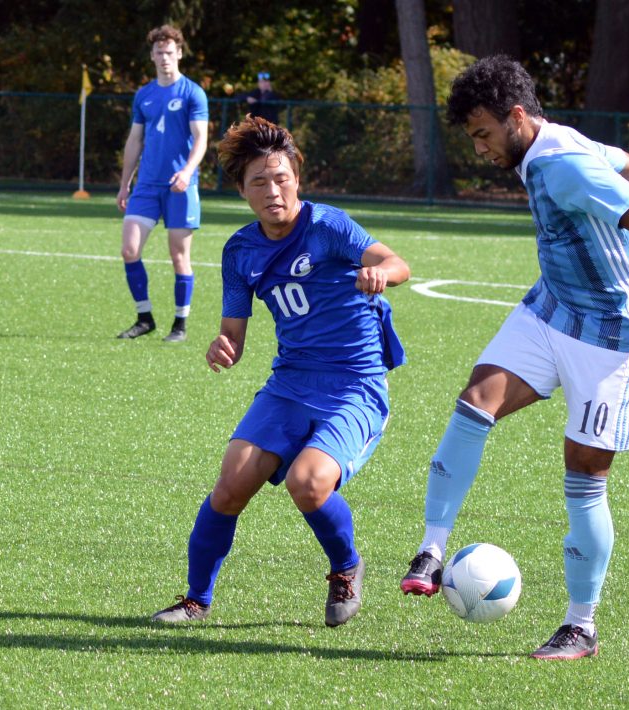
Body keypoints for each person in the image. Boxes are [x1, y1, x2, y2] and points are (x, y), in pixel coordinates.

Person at [398, 56, 629, 660]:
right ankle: (431, 547)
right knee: (474, 404)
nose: (479, 148)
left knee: (584, 478)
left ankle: (581, 625)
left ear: (516, 117)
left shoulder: (560, 164)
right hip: (549, 309)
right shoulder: (553, 142)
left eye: (482, 134)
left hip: (608, 336)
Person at [151, 116, 410, 628]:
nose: (273, 190)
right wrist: (222, 346)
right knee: (229, 486)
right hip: (290, 383)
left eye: (281, 177)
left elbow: (397, 262)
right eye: (259, 182)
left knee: (308, 482)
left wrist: (382, 272)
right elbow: (234, 333)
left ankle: (346, 567)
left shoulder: (328, 226)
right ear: (242, 191)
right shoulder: (240, 251)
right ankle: (196, 599)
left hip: (354, 384)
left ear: (296, 176)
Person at [116, 24, 209, 342]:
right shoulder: (144, 95)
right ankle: (144, 318)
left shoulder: (192, 93)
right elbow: (134, 141)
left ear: (179, 54)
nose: (165, 57)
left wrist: (186, 172)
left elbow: (201, 139)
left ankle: (180, 325)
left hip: (181, 186)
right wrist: (124, 183)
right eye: (160, 52)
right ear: (152, 56)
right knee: (129, 249)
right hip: (146, 186)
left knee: (178, 255)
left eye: (170, 52)